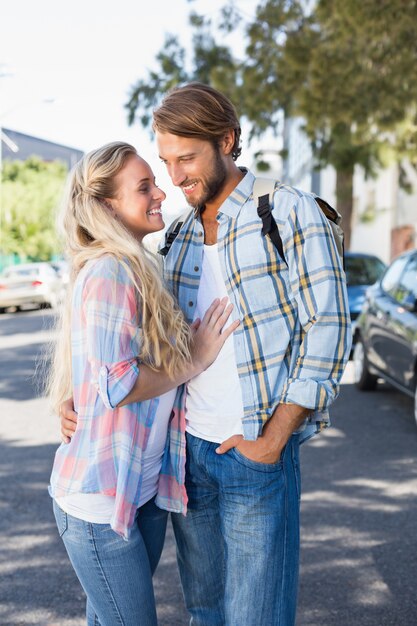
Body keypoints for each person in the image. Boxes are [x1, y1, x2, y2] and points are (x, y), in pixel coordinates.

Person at [61, 84, 351, 625]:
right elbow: (129, 345)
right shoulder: (176, 238)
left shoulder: (286, 212)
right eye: (166, 161)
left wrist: (274, 437)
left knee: (255, 616)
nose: (175, 177)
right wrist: (79, 398)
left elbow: (329, 328)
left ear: (227, 140)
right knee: (207, 612)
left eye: (187, 158)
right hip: (186, 457)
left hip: (254, 453)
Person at [48, 140, 239, 626]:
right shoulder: (111, 270)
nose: (161, 192)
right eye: (144, 186)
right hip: (99, 501)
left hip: (141, 488)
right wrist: (195, 359)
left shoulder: (138, 264)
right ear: (108, 205)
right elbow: (117, 384)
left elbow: (96, 376)